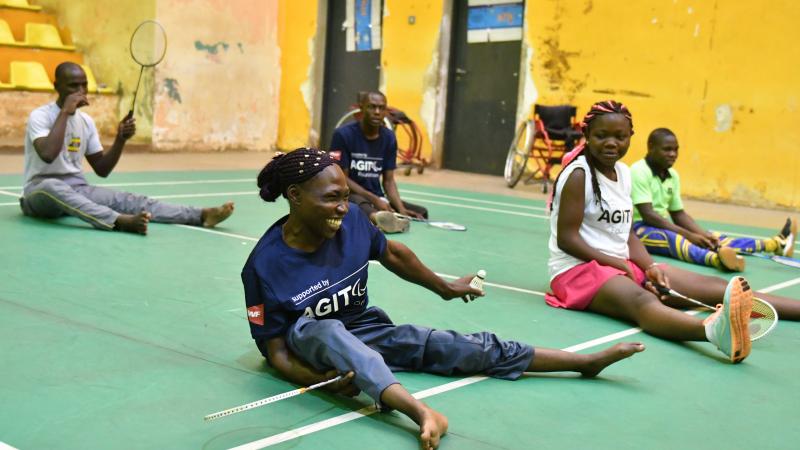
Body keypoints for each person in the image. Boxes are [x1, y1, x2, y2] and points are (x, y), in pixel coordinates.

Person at [242, 148, 645, 450]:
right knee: (328, 328)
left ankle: (581, 362)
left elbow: (394, 254)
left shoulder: (351, 223)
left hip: (364, 329)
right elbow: (275, 353)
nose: (343, 207)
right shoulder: (263, 266)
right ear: (294, 196)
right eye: (331, 198)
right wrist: (320, 382)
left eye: (346, 195)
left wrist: (446, 287)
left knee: (448, 345)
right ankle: (419, 412)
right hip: (312, 344)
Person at [546, 100, 800, 366]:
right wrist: (619, 265)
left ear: (631, 137)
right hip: (578, 270)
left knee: (714, 287)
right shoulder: (578, 175)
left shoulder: (623, 173)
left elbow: (627, 233)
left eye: (620, 137)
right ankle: (715, 333)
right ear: (586, 135)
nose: (611, 143)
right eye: (601, 136)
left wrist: (650, 266)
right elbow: (567, 239)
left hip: (621, 264)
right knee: (642, 300)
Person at [20, 62, 234, 235]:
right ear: (56, 86)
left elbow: (102, 169)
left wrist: (120, 139)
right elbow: (47, 155)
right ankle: (118, 221)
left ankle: (201, 215)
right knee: (53, 187)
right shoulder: (40, 116)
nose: (80, 91)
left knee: (129, 200)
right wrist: (65, 112)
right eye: (73, 86)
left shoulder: (86, 122)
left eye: (83, 85)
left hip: (78, 188)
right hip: (39, 192)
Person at [630, 128, 796, 272]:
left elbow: (679, 214)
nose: (673, 154)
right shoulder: (639, 171)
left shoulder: (672, 175)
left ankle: (775, 245)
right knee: (675, 239)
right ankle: (717, 260)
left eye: (676, 149)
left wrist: (702, 235)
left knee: (714, 237)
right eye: (667, 149)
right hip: (638, 229)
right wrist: (689, 235)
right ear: (651, 147)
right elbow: (648, 215)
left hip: (662, 223)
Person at [329, 91, 427, 233]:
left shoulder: (389, 137)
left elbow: (388, 181)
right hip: (348, 194)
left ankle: (387, 216)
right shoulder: (343, 134)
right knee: (359, 204)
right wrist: (375, 200)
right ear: (361, 108)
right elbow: (342, 178)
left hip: (375, 196)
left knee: (421, 212)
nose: (377, 112)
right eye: (372, 107)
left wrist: (401, 209)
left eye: (381, 108)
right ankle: (377, 218)